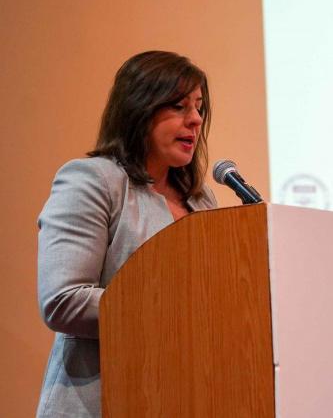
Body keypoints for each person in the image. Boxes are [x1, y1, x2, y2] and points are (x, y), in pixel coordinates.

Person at [36, 51, 217, 417]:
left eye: (199, 107)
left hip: (186, 398)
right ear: (139, 109)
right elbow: (63, 300)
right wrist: (172, 311)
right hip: (101, 402)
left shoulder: (201, 199)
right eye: (179, 106)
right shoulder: (93, 181)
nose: (196, 119)